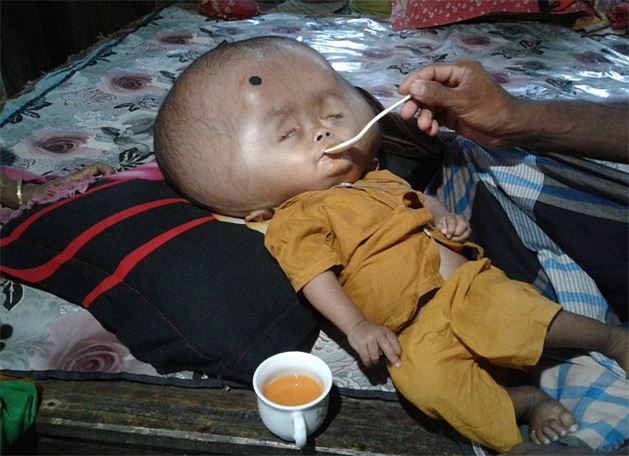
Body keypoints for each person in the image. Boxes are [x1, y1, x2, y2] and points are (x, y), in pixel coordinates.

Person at [153, 36, 628, 452]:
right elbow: (314, 277)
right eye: (288, 133)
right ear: (253, 210)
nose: (323, 129)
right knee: (432, 389)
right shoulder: (294, 220)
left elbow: (421, 201)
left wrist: (445, 218)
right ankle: (523, 413)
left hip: (465, 288)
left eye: (333, 111)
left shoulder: (378, 177)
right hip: (410, 332)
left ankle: (612, 339)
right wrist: (357, 325)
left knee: (520, 318)